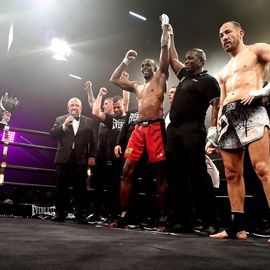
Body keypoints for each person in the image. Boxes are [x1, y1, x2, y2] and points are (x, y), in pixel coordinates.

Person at [206, 21, 270, 242]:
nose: (223, 37)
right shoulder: (223, 71)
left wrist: (264, 89)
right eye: (220, 34)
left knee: (263, 169)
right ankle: (237, 228)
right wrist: (213, 132)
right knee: (232, 174)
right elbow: (221, 102)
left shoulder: (257, 50)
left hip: (252, 110)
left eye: (227, 32)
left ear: (241, 33)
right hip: (228, 117)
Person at [109, 14, 170, 228]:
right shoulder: (136, 86)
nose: (145, 67)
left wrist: (164, 26)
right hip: (138, 130)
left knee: (160, 173)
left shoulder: (161, 76)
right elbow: (114, 79)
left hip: (155, 127)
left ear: (155, 68)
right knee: (127, 170)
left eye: (148, 65)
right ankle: (123, 215)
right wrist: (126, 60)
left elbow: (164, 49)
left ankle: (163, 217)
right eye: (142, 65)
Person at [166, 23, 220, 235]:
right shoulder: (184, 77)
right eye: (186, 58)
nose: (187, 61)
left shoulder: (207, 80)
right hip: (175, 130)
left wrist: (214, 129)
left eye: (191, 58)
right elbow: (172, 58)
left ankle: (210, 220)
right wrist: (170, 34)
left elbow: (216, 104)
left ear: (202, 61)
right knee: (177, 176)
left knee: (198, 174)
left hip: (193, 130)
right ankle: (183, 221)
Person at [50, 97, 97, 223]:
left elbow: (94, 141)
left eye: (77, 105)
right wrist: (65, 125)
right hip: (63, 159)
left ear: (81, 108)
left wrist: (92, 156)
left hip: (80, 159)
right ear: (68, 108)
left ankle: (80, 215)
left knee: (81, 189)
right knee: (61, 188)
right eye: (72, 105)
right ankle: (60, 214)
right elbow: (52, 134)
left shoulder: (89, 122)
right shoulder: (60, 119)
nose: (74, 107)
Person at [92, 88, 127, 221]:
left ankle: (116, 214)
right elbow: (95, 112)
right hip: (108, 157)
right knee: (103, 186)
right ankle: (102, 214)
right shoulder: (111, 119)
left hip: (123, 158)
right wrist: (100, 94)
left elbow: (127, 100)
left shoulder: (129, 116)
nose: (117, 110)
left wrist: (125, 87)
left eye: (119, 107)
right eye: (115, 108)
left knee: (117, 187)